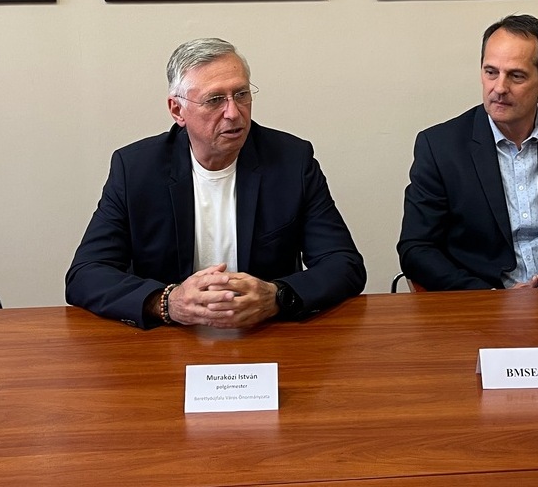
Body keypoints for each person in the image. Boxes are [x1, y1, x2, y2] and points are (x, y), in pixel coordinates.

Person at [66, 38, 365, 329]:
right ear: (177, 110)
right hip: (169, 339)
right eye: (214, 100)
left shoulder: (292, 161)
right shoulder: (135, 169)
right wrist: (167, 302)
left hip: (264, 333)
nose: (233, 113)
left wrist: (276, 297)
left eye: (241, 94)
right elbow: (86, 274)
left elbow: (343, 264)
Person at [397, 14, 538, 290]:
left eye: (516, 76)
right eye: (490, 72)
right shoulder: (440, 147)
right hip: (483, 302)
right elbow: (416, 248)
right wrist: (491, 297)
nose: (499, 88)